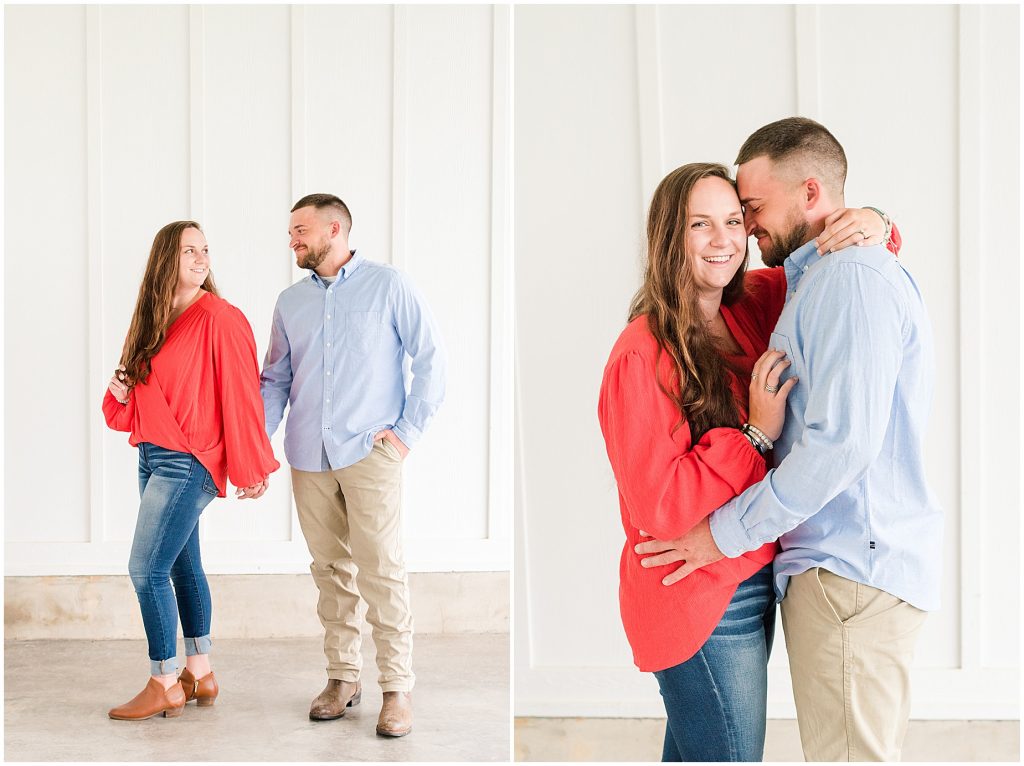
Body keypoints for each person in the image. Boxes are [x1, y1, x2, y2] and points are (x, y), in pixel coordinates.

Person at [635, 118, 938, 762]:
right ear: (670, 238)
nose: (739, 233)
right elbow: (657, 496)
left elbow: (841, 446)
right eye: (706, 222)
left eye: (746, 211)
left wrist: (879, 223)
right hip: (736, 577)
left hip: (841, 568)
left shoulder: (821, 283)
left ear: (807, 192)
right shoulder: (763, 298)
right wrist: (754, 434)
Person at [260, 193, 446, 738]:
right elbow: (274, 379)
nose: (292, 239)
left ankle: (397, 688)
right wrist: (255, 446)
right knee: (329, 571)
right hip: (307, 456)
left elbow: (432, 358)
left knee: (381, 569)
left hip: (371, 453)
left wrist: (406, 436)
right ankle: (343, 678)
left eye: (301, 230)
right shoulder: (289, 302)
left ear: (335, 228)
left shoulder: (389, 286)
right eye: (291, 231)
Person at [103, 220, 280, 720]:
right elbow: (133, 399)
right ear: (166, 261)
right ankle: (199, 672)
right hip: (153, 456)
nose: (202, 259)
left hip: (188, 462)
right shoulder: (150, 321)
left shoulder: (221, 318)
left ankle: (163, 680)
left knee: (146, 568)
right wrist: (118, 392)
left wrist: (249, 464)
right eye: (189, 251)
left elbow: (241, 397)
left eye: (205, 250)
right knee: (180, 565)